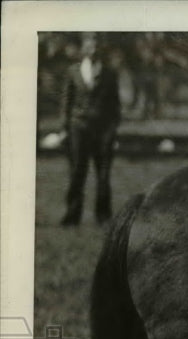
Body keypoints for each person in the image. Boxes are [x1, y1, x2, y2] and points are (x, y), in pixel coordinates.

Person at [60, 33, 121, 226]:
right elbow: (66, 103)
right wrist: (65, 129)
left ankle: (103, 216)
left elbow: (115, 106)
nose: (93, 50)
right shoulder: (73, 71)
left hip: (103, 131)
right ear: (84, 50)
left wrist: (112, 131)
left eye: (96, 46)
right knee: (77, 172)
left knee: (103, 174)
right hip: (78, 128)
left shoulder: (110, 73)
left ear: (100, 50)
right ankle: (72, 216)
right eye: (89, 46)